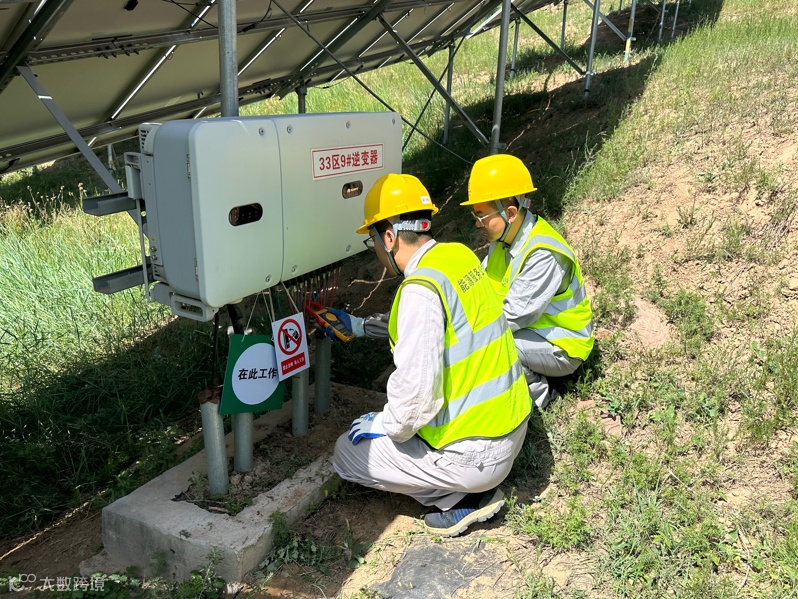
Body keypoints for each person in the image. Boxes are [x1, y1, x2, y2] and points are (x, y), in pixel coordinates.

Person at [323, 172, 531, 538]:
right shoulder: (458, 257)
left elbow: (416, 402)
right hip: (512, 426)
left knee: (347, 454)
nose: (375, 250)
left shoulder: (419, 290)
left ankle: (461, 500)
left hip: (477, 456)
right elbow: (435, 324)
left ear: (389, 237)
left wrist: (383, 424)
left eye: (373, 240)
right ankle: (466, 485)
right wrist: (358, 326)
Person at [460, 154, 594, 410]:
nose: (477, 224)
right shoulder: (502, 241)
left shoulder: (543, 253)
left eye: (481, 216)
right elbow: (480, 288)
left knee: (496, 343)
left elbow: (511, 318)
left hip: (564, 345)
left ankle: (543, 401)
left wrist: (462, 335)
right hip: (534, 332)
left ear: (510, 213)